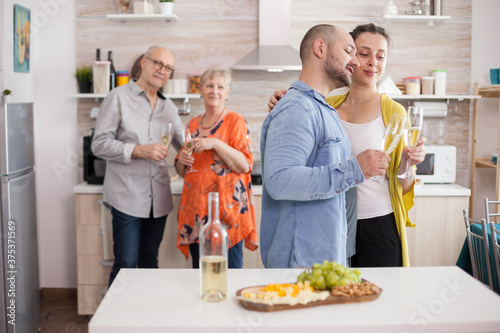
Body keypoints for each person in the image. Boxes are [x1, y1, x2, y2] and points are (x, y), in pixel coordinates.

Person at [268, 23, 427, 267]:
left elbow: (403, 186)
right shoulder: (326, 103)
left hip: (377, 224)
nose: (372, 62)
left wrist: (407, 162)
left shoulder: (395, 113)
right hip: (333, 223)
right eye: (363, 53)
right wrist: (285, 104)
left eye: (381, 56)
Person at [92, 45, 184, 286]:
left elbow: (186, 145)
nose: (162, 71)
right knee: (126, 264)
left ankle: (145, 320)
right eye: (158, 63)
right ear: (144, 63)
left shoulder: (170, 108)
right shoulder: (118, 98)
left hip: (158, 199)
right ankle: (115, 322)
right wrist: (137, 150)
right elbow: (99, 144)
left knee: (149, 261)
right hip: (127, 196)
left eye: (168, 68)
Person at [174, 68, 258, 269]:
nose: (215, 91)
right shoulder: (192, 125)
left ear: (227, 93)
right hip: (196, 215)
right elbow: (182, 170)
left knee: (230, 276)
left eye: (220, 87)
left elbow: (245, 164)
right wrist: (181, 160)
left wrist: (216, 144)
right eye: (209, 86)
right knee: (201, 276)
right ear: (200, 90)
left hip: (226, 216)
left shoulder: (235, 121)